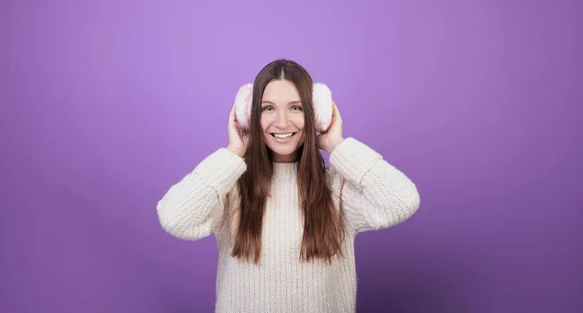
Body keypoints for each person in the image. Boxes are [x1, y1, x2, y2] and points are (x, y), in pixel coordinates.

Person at [156, 59, 420, 313]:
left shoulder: (337, 190)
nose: (282, 122)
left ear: (316, 114)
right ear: (249, 117)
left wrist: (336, 144)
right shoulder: (231, 188)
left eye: (296, 107)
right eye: (268, 108)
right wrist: (233, 152)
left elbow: (403, 200)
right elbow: (175, 217)